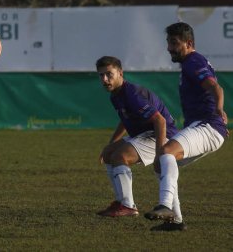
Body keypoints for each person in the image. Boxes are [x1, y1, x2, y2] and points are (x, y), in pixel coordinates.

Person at [144, 22, 228, 231]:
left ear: (189, 43)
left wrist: (219, 108)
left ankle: (165, 206)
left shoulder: (192, 61)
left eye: (174, 43)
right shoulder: (189, 63)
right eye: (168, 42)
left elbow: (215, 87)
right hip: (204, 127)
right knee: (161, 163)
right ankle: (175, 221)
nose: (169, 48)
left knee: (166, 151)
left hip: (209, 126)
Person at [95, 56, 178, 217]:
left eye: (109, 74)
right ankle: (121, 202)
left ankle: (128, 206)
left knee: (120, 156)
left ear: (120, 73)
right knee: (108, 154)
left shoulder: (132, 94)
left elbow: (160, 121)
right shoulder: (116, 95)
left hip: (162, 135)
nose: (105, 79)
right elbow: (126, 120)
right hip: (145, 134)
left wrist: (160, 153)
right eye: (101, 75)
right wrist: (110, 144)